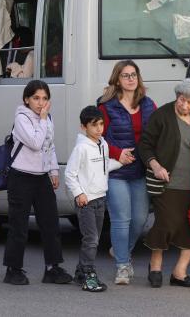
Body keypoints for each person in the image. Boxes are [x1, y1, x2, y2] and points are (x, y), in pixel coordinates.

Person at [138, 78, 190, 288]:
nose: (185, 105)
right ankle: (155, 265)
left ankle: (179, 273)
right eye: (182, 100)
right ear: (176, 96)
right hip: (166, 182)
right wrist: (156, 166)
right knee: (166, 224)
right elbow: (145, 145)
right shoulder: (162, 115)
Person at [2, 80, 72, 285]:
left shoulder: (46, 118)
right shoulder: (22, 117)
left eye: (44, 99)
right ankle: (13, 270)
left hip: (41, 178)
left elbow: (49, 146)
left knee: (50, 223)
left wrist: (53, 170)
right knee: (19, 226)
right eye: (36, 98)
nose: (41, 103)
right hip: (21, 177)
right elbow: (35, 142)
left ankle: (52, 268)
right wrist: (42, 119)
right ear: (27, 99)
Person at [98, 60, 156, 285]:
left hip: (140, 170)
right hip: (116, 171)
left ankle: (120, 249)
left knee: (140, 219)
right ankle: (123, 265)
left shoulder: (149, 104)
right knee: (121, 220)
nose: (131, 79)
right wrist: (117, 153)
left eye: (134, 75)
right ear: (117, 80)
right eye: (125, 75)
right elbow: (97, 137)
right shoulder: (106, 106)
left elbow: (158, 133)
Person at [64, 106, 120, 293]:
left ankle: (80, 272)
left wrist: (121, 161)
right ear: (83, 127)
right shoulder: (81, 148)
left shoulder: (102, 144)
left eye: (101, 124)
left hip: (100, 199)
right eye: (94, 125)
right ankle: (88, 275)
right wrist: (79, 193)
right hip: (86, 201)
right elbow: (70, 174)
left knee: (91, 239)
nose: (99, 129)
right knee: (91, 239)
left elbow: (103, 167)